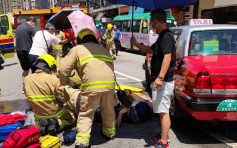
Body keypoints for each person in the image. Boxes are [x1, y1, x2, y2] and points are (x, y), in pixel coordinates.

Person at [58, 28, 116, 148]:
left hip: (91, 86)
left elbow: (63, 70)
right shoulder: (104, 49)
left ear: (80, 40)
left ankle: (82, 142)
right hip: (109, 85)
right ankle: (109, 132)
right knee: (108, 109)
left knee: (87, 113)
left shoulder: (78, 49)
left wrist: (64, 83)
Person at [130, 8, 176, 148]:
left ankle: (164, 141)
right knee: (161, 111)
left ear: (156, 21)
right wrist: (136, 44)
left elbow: (168, 56)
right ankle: (163, 134)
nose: (151, 26)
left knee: (163, 112)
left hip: (164, 81)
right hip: (160, 80)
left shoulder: (166, 37)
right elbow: (151, 50)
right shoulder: (161, 37)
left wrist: (160, 78)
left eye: (151, 23)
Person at [24, 53, 76, 136]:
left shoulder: (27, 79)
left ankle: (41, 125)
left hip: (39, 115)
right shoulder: (54, 79)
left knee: (39, 121)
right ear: (50, 66)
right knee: (72, 118)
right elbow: (65, 97)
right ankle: (57, 123)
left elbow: (27, 95)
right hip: (56, 114)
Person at [15, 16, 36, 93]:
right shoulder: (31, 28)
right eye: (34, 23)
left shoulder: (19, 27)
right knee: (34, 69)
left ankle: (24, 88)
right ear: (31, 21)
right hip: (28, 51)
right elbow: (34, 40)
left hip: (19, 51)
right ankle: (34, 87)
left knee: (25, 70)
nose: (34, 25)